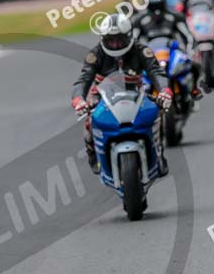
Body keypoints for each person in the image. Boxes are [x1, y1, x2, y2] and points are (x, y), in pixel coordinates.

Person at [71, 13, 173, 175]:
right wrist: (79, 100)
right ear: (103, 39)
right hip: (102, 95)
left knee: (157, 112)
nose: (116, 44)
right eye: (111, 40)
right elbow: (83, 80)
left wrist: (165, 91)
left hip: (136, 92)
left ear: (129, 36)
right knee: (89, 119)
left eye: (119, 39)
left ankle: (159, 153)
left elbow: (157, 72)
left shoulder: (141, 50)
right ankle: (92, 154)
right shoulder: (95, 54)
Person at [134, 0, 201, 98]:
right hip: (150, 53)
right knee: (136, 75)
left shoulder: (175, 16)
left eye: (159, 5)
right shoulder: (139, 20)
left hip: (172, 49)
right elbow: (133, 41)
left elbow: (188, 36)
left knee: (195, 64)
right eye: (153, 6)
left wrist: (190, 51)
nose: (157, 12)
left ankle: (194, 88)